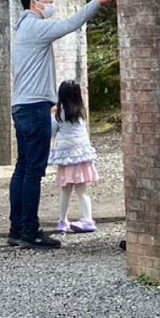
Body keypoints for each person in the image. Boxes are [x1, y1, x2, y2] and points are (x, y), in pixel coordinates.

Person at [8, 0, 115, 250]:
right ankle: (30, 231)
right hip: (33, 109)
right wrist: (97, 2)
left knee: (22, 168)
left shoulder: (23, 29)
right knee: (33, 170)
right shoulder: (34, 26)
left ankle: (17, 228)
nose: (50, 2)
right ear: (34, 3)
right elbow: (70, 24)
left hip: (21, 106)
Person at [49, 79, 99, 234]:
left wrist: (50, 114)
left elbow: (51, 131)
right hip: (82, 156)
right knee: (82, 191)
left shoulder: (59, 113)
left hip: (67, 157)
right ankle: (88, 219)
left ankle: (63, 221)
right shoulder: (80, 112)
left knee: (65, 191)